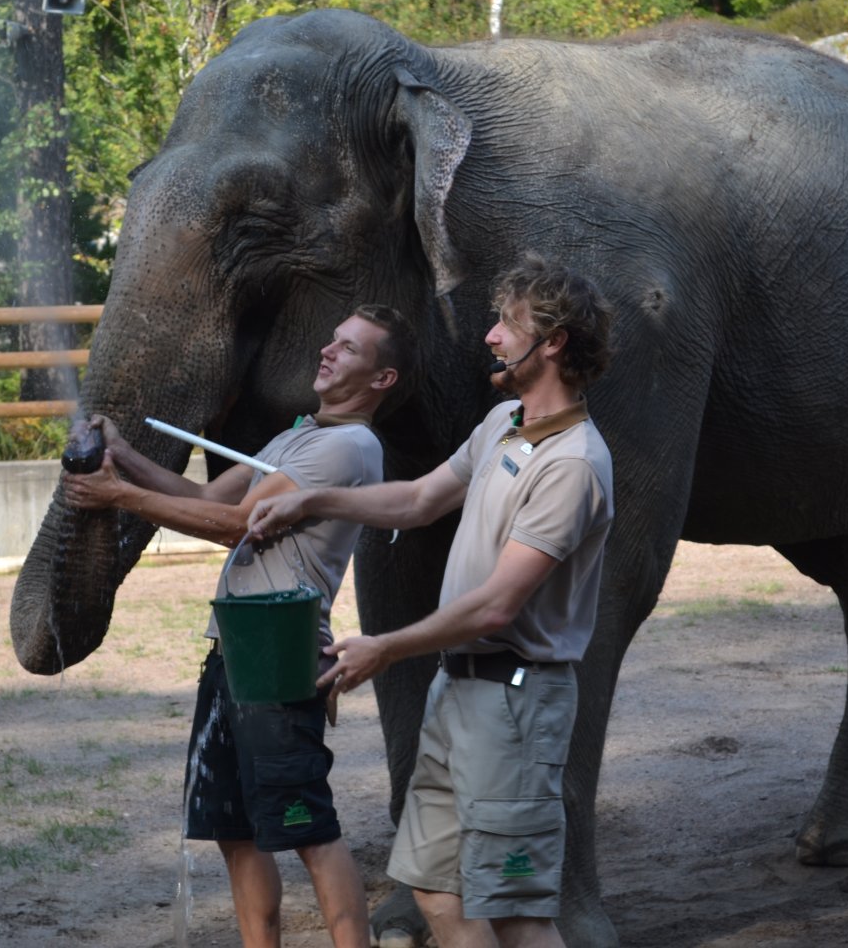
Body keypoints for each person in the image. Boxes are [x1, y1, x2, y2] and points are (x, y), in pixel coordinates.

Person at [249, 257, 615, 948]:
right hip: (460, 691)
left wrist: (384, 647)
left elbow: (496, 607)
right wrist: (315, 499)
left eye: (508, 324)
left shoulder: (573, 465)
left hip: (516, 700)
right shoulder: (506, 420)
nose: (491, 338)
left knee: (515, 910)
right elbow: (419, 499)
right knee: (437, 891)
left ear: (555, 342)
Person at [65, 303, 417, 948]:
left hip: (280, 653)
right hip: (234, 646)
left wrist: (118, 495)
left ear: (381, 379)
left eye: (349, 348)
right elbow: (204, 499)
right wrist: (123, 455)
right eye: (331, 338)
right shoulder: (301, 436)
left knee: (305, 823)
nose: (328, 351)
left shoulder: (346, 446)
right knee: (234, 827)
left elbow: (236, 525)